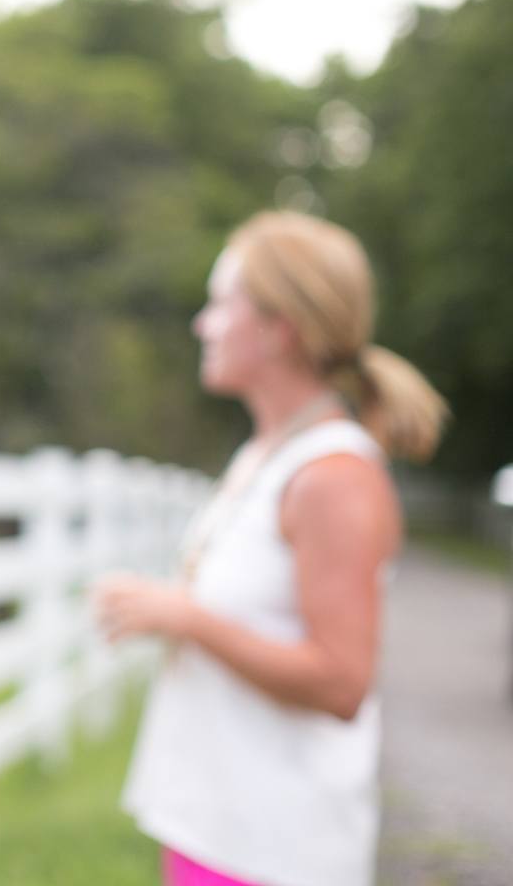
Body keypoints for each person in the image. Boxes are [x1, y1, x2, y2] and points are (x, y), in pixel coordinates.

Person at [95, 210, 447, 886]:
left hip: (275, 850)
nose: (203, 324)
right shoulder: (266, 455)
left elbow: (342, 681)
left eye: (220, 303)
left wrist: (185, 617)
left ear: (279, 328)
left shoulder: (334, 478)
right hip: (215, 828)